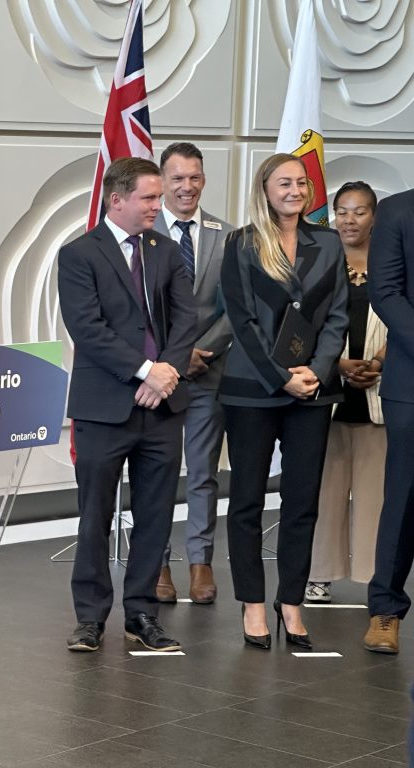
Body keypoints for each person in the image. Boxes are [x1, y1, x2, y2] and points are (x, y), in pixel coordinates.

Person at [60, 157, 196, 653]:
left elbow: (187, 319)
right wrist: (145, 371)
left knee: (155, 514)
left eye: (159, 198)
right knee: (94, 515)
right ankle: (90, 619)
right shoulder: (79, 255)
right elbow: (88, 329)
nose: (158, 208)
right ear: (117, 199)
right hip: (104, 407)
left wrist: (167, 374)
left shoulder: (165, 251)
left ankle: (142, 613)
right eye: (149, 198)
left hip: (162, 408)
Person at [219, 153, 348, 650]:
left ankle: (290, 600)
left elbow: (337, 315)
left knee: (301, 501)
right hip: (253, 390)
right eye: (283, 182)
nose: (294, 189)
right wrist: (281, 378)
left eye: (301, 182)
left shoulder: (329, 243)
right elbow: (242, 321)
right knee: (247, 500)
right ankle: (253, 602)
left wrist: (315, 372)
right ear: (265, 189)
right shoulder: (241, 244)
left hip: (313, 392)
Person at [153, 142, 234, 604]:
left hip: (209, 371)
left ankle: (200, 563)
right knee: (159, 473)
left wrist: (204, 350)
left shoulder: (227, 234)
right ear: (163, 181)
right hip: (157, 374)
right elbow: (140, 309)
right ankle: (158, 562)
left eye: (195, 177)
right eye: (178, 178)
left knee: (203, 473)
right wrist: (173, 357)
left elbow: (235, 307)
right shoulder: (143, 233)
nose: (187, 187)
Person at [307, 182, 386, 603]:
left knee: (376, 492)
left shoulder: (393, 263)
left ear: (374, 217)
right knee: (326, 489)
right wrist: (334, 364)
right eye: (342, 211)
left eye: (359, 212)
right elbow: (306, 323)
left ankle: (374, 576)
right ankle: (319, 574)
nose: (349, 220)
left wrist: (379, 362)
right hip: (328, 390)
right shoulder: (320, 261)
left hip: (379, 391)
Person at [364, 186, 414, 654]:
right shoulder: (397, 210)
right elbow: (386, 293)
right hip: (412, 382)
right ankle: (385, 610)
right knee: (403, 499)